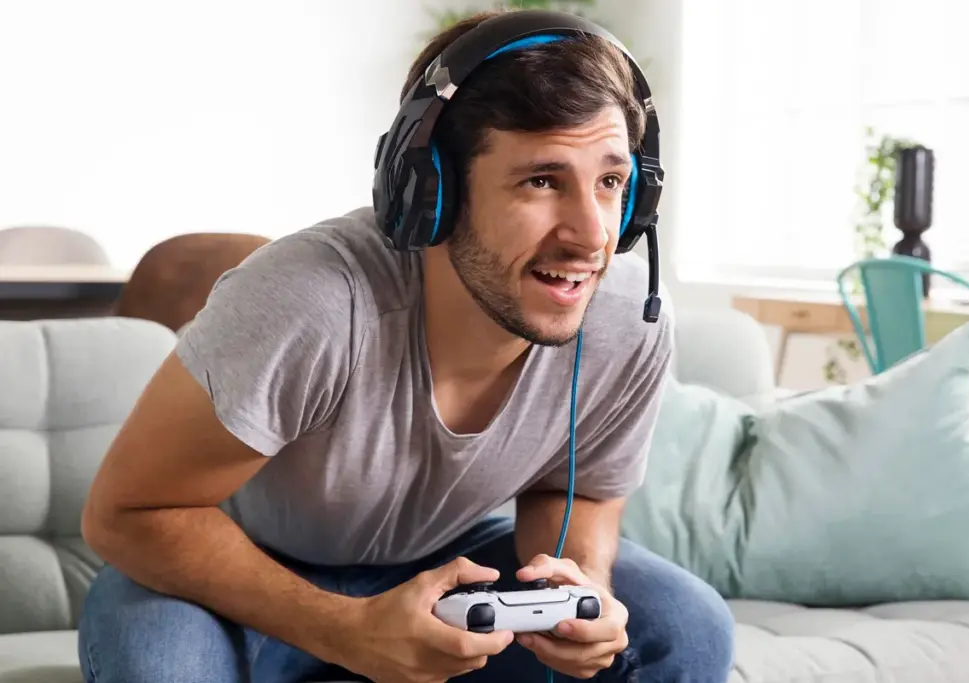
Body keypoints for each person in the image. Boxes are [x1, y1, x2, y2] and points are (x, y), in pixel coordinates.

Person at [77, 9, 734, 683]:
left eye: (611, 182)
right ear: (432, 190)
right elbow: (125, 514)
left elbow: (579, 489)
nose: (592, 234)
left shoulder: (628, 318)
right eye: (542, 180)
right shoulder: (311, 298)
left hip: (450, 565)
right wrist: (347, 631)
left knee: (683, 626)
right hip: (238, 575)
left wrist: (577, 590)